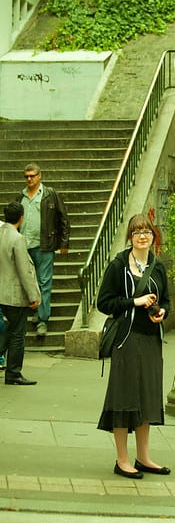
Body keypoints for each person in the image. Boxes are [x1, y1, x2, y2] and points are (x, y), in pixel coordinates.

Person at [97, 213, 171, 479]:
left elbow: (167, 300)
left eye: (147, 232)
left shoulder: (157, 266)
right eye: (137, 232)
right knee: (124, 398)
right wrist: (134, 302)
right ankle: (122, 460)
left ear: (153, 237)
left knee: (147, 398)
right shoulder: (118, 266)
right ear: (130, 237)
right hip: (126, 341)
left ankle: (143, 457)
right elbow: (104, 303)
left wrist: (162, 311)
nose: (143, 236)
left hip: (151, 340)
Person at [18, 162, 70, 339]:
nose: (29, 179)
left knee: (44, 282)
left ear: (40, 176)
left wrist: (64, 242)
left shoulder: (49, 195)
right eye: (26, 176)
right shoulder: (21, 197)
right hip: (24, 246)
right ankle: (36, 312)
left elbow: (63, 218)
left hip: (44, 245)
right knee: (28, 282)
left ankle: (42, 320)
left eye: (32, 175)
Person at [0, 202, 41, 386]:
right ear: (21, 218)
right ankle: (13, 373)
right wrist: (33, 295)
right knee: (17, 334)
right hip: (14, 295)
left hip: (1, 292)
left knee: (8, 332)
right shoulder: (17, 239)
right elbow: (24, 271)